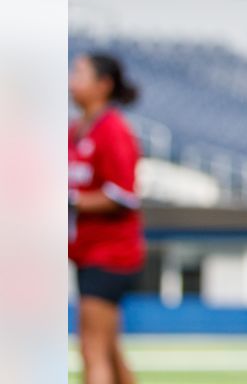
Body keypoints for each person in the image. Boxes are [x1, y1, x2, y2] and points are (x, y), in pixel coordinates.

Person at [68, 52, 144, 384]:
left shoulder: (113, 129)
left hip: (110, 255)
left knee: (92, 350)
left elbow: (124, 195)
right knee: (109, 349)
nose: (72, 79)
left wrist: (72, 201)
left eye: (81, 73)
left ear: (104, 84)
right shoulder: (75, 130)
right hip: (86, 253)